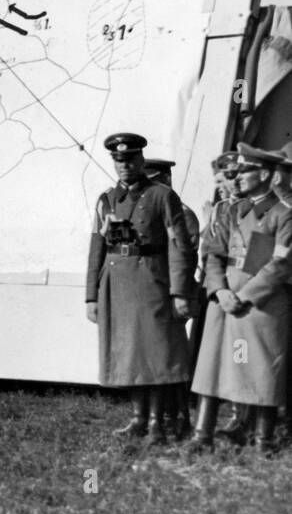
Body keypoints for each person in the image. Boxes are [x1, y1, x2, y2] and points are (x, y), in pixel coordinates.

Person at [85, 132, 193, 444]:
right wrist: (91, 296)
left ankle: (158, 423)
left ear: (141, 160)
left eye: (130, 159)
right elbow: (96, 248)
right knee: (130, 354)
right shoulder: (107, 199)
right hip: (118, 285)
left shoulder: (162, 196)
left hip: (152, 283)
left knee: (155, 354)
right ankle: (138, 418)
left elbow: (179, 246)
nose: (125, 165)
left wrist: (180, 291)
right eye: (119, 160)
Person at [189, 143, 292, 455]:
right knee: (213, 367)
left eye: (245, 171)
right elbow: (213, 253)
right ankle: (201, 436)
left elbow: (280, 263)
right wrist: (219, 290)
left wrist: (244, 296)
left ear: (266, 174)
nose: (237, 177)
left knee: (260, 368)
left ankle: (263, 440)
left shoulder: (282, 215)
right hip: (225, 301)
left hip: (260, 304)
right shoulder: (233, 211)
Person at [142, 156, 200, 439]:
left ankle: (179, 417)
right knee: (158, 357)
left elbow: (185, 258)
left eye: (154, 181)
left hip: (175, 294)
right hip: (155, 293)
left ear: (166, 180)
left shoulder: (182, 213)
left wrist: (182, 297)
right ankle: (160, 416)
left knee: (174, 358)